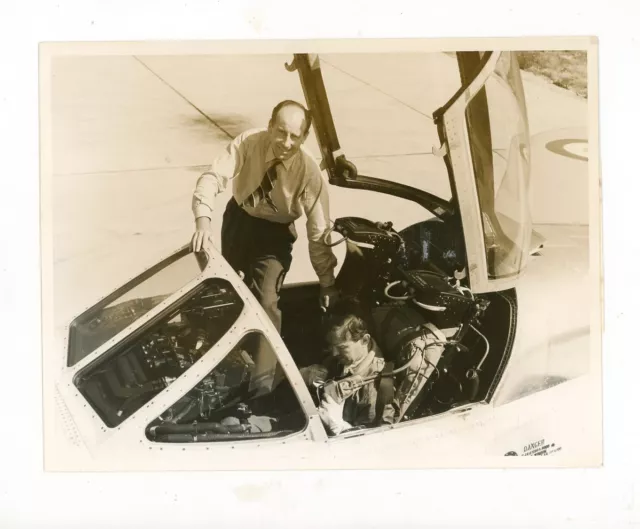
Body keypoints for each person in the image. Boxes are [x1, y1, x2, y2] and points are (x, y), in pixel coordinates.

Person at [191, 100, 339, 332]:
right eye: (281, 132)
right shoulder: (249, 142)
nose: (286, 143)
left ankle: (267, 365)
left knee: (266, 302)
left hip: (275, 235)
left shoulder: (309, 171)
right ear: (270, 126)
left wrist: (327, 283)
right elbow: (213, 176)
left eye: (294, 136)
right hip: (238, 221)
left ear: (305, 136)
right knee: (227, 292)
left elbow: (318, 231)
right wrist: (202, 220)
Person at [301, 298, 450, 435]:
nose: (333, 353)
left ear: (365, 340)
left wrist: (336, 425)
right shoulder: (344, 359)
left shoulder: (375, 389)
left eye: (341, 348)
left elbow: (365, 441)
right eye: (332, 347)